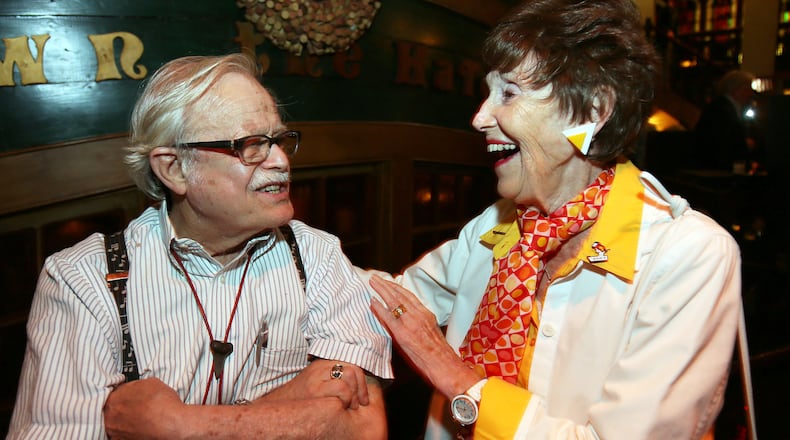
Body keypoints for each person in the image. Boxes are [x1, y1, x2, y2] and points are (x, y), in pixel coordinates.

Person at [360, 1, 744, 438]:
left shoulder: (689, 256)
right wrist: (287, 247)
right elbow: (388, 300)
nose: (480, 117)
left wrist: (455, 377)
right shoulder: (495, 226)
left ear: (591, 112)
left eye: (508, 93)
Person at [8, 53, 393, 439]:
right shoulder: (83, 279)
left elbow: (363, 429)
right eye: (250, 144)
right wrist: (293, 401)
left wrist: (175, 427)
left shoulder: (317, 255)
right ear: (174, 169)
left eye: (278, 140)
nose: (280, 161)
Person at [694, 69, 759, 173]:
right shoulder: (722, 110)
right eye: (746, 89)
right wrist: (744, 144)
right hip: (717, 170)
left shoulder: (724, 107)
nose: (750, 94)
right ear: (735, 89)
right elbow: (724, 142)